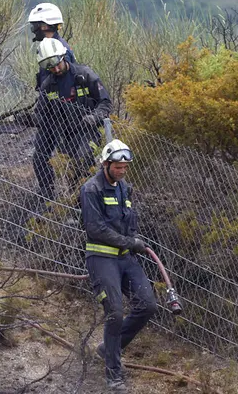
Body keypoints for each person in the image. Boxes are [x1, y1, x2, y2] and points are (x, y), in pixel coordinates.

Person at [79, 139, 158, 392]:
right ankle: (113, 374)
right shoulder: (91, 189)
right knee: (114, 313)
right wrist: (129, 241)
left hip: (125, 258)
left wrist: (132, 241)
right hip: (101, 258)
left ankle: (107, 349)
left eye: (125, 167)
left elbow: (129, 220)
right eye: (118, 167)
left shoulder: (125, 188)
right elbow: (95, 228)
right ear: (106, 163)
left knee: (147, 305)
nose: (122, 171)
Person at [32, 37, 111, 201]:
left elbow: (105, 102)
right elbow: (41, 113)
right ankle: (52, 200)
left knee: (81, 162)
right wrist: (30, 119)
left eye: (55, 62)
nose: (54, 68)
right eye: (48, 65)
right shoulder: (48, 85)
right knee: (45, 159)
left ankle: (83, 203)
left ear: (63, 56)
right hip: (63, 135)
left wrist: (93, 117)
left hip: (87, 132)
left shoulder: (84, 75)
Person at [27, 3, 76, 89]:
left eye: (35, 26)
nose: (33, 30)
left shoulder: (61, 50)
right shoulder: (49, 48)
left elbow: (66, 84)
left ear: (45, 26)